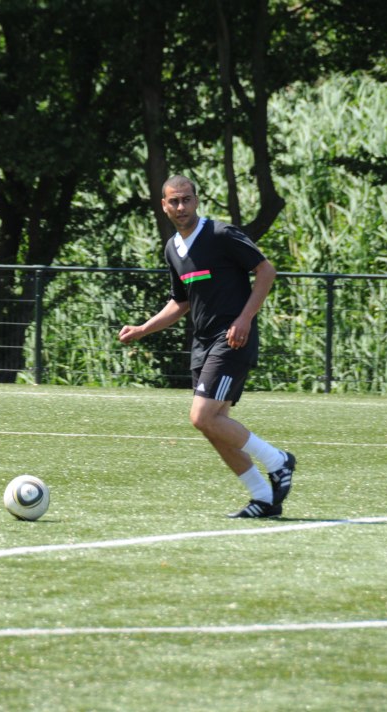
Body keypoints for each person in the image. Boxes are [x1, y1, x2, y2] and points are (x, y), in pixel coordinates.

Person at [119, 175, 296, 518]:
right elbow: (180, 303)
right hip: (202, 345)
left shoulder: (220, 235)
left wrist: (244, 318)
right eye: (174, 201)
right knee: (215, 428)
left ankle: (279, 461)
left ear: (196, 200)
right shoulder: (173, 249)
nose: (181, 207)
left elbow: (266, 271)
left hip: (232, 339)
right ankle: (262, 498)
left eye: (186, 199)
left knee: (201, 417)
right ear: (164, 205)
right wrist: (143, 329)